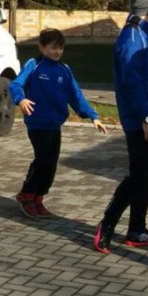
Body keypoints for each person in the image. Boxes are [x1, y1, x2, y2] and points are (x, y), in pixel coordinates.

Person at [93, 0, 148, 254]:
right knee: (139, 177)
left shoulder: (145, 35)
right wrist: (147, 119)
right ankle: (107, 225)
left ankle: (137, 228)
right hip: (142, 122)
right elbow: (132, 84)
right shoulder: (131, 37)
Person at [10, 28, 108, 219]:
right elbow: (15, 84)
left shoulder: (65, 70)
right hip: (37, 124)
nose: (57, 52)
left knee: (51, 164)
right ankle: (26, 194)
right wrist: (20, 99)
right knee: (43, 160)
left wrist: (93, 116)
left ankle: (38, 199)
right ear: (42, 47)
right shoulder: (34, 65)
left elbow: (76, 96)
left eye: (60, 48)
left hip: (55, 125)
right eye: (53, 48)